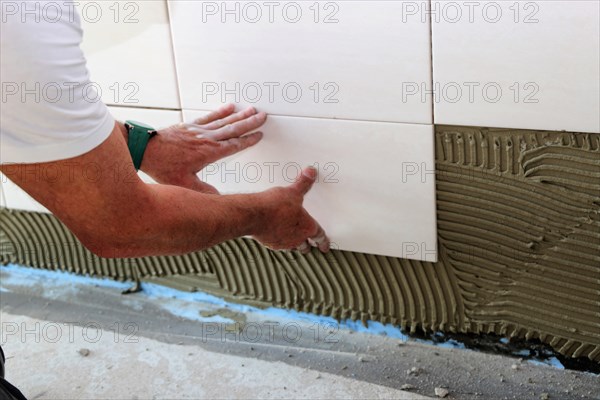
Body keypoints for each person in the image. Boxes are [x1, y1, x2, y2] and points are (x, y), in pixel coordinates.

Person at [0, 2, 330, 398]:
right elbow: (121, 227)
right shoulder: (23, 21)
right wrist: (264, 215)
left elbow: (24, 128)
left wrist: (143, 147)